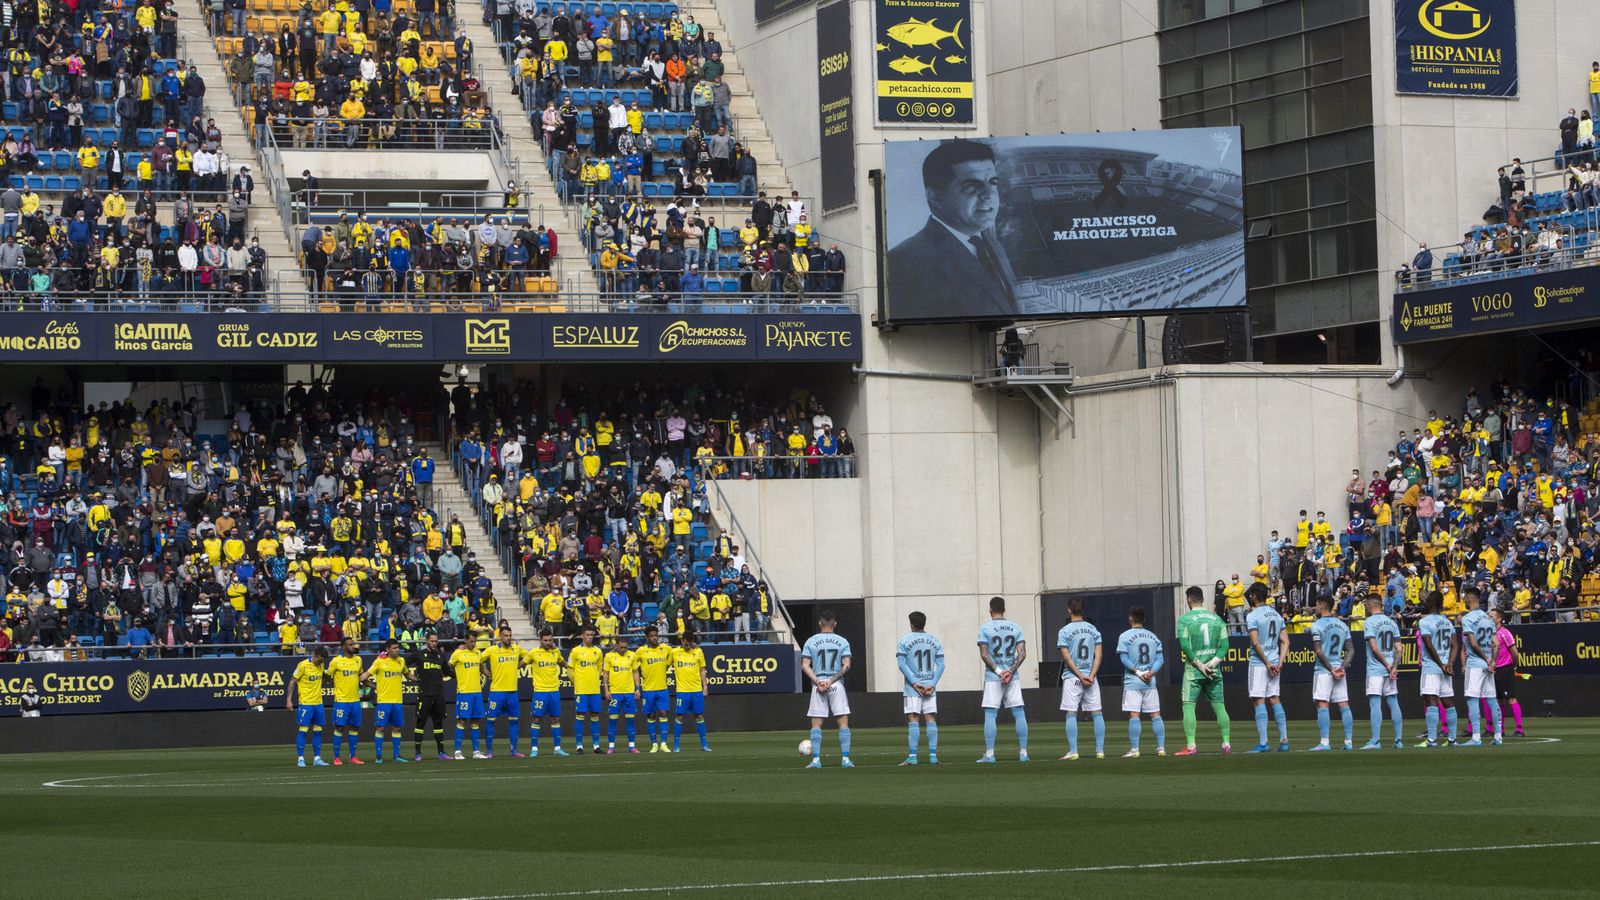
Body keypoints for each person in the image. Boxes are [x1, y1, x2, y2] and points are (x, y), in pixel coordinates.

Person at [886, 139, 1018, 318]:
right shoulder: (904, 262)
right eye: (972, 186)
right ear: (935, 197)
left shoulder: (991, 243)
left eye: (992, 182)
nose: (989, 195)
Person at [1175, 585, 1230, 756]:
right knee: (1220, 707)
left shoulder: (1185, 620)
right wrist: (1212, 664)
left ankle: (1191, 746)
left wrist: (1200, 665)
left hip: (1194, 672)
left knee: (1189, 706)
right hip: (1214, 672)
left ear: (1189, 600)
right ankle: (1226, 743)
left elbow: (1184, 645)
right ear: (1203, 599)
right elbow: (1225, 645)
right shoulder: (1217, 619)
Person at [975, 595, 1028, 764]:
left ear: (990, 610)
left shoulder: (985, 628)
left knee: (991, 714)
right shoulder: (1016, 627)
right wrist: (1010, 672)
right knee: (1018, 712)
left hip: (993, 676)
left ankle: (990, 754)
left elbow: (984, 654)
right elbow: (1022, 654)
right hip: (1012, 677)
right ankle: (1023, 753)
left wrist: (999, 671)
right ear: (1004, 609)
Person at [1056, 596, 1106, 760]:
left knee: (1071, 713)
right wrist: (1091, 675)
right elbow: (1098, 656)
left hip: (1073, 677)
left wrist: (1080, 675)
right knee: (1097, 713)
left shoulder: (1064, 631)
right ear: (1083, 610)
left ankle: (1073, 751)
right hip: (1091, 678)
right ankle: (1100, 751)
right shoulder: (1094, 629)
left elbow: (1067, 658)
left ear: (1069, 610)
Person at [801, 610, 852, 768]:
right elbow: (847, 664)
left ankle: (816, 760)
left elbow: (804, 665)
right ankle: (845, 760)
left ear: (819, 623)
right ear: (835, 624)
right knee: (842, 722)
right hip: (835, 684)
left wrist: (818, 682)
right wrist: (831, 681)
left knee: (816, 724)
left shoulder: (811, 641)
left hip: (819, 685)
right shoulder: (842, 641)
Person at [894, 611, 945, 766]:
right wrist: (932, 684)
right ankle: (933, 756)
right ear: (924, 623)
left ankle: (913, 757)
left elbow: (902, 664)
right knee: (930, 719)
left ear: (911, 624)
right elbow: (941, 665)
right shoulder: (934, 640)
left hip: (912, 688)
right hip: (929, 687)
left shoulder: (904, 640)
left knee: (913, 719)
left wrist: (915, 682)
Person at [1244, 585, 1290, 752]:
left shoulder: (1253, 615)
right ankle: (1284, 740)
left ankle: (1263, 743)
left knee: (1258, 699)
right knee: (1274, 698)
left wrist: (1266, 663)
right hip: (1275, 662)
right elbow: (1286, 641)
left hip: (1259, 663)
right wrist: (1280, 661)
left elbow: (1255, 642)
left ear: (1255, 596)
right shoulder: (1276, 614)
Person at [1116, 607, 1165, 759]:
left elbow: (1124, 659)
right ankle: (1161, 748)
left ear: (1130, 618)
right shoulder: (1153, 637)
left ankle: (1135, 749)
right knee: (1155, 715)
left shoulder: (1124, 636)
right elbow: (1160, 659)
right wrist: (1151, 672)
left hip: (1133, 682)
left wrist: (1138, 673)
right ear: (1143, 619)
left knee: (1134, 716)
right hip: (1150, 681)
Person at [1307, 596, 1354, 752]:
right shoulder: (1343, 625)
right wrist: (1342, 667)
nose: (1315, 607)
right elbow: (1351, 650)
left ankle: (1325, 742)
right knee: (1344, 704)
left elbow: (1318, 650)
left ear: (1321, 605)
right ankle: (1348, 742)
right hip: (1339, 668)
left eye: (1316, 604)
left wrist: (1330, 669)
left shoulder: (1316, 625)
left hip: (1324, 670)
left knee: (1322, 703)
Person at [1361, 595, 1405, 750]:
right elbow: (1399, 649)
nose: (1365, 607)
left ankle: (1375, 740)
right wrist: (1394, 666)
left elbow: (1374, 648)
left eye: (1366, 605)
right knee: (1393, 701)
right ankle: (1399, 740)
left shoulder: (1369, 622)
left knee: (1375, 703)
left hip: (1376, 669)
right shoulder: (1392, 622)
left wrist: (1387, 666)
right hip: (1390, 668)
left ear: (1370, 604)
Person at [1417, 590, 1459, 748]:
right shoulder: (1447, 621)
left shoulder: (1425, 622)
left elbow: (1428, 644)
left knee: (1431, 701)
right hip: (1446, 668)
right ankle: (1452, 739)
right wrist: (1449, 663)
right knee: (1448, 701)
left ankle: (1432, 739)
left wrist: (1441, 664)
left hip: (1432, 667)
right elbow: (1455, 645)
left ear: (1429, 603)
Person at [1460, 588, 1501, 747]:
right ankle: (1498, 735)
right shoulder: (1488, 618)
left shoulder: (1467, 618)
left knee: (1472, 698)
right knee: (1491, 699)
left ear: (1469, 600)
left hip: (1475, 663)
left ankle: (1476, 736)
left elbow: (1473, 643)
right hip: (1488, 664)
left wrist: (1485, 658)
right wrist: (1492, 661)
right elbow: (1496, 643)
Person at [361, 639, 411, 763]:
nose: (397, 650)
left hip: (397, 701)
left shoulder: (401, 661)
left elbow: (408, 674)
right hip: (384, 701)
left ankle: (396, 756)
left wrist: (420, 680)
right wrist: (373, 686)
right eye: (394, 648)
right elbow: (364, 677)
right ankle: (378, 757)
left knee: (397, 728)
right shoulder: (379, 661)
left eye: (398, 647)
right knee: (380, 728)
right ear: (388, 650)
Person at [484, 625, 528, 758]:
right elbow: (478, 659)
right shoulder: (491, 650)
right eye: (506, 636)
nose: (508, 638)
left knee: (514, 721)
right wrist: (485, 671)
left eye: (510, 635)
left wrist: (518, 666)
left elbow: (529, 657)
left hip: (512, 692)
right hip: (497, 692)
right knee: (490, 720)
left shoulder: (516, 649)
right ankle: (489, 751)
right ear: (500, 637)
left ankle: (514, 750)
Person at [408, 631, 453, 761]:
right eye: (432, 641)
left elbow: (447, 671)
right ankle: (417, 753)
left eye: (436, 641)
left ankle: (441, 753)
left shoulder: (441, 656)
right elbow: (403, 664)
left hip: (438, 695)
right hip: (424, 695)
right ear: (427, 641)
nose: (434, 643)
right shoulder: (419, 654)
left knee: (438, 723)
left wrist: (460, 675)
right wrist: (412, 677)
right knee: (420, 723)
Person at [527, 627, 570, 757]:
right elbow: (520, 665)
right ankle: (534, 749)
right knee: (536, 719)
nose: (548, 642)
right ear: (540, 640)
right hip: (540, 691)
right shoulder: (534, 653)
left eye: (550, 640)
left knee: (555, 719)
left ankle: (557, 748)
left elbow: (566, 665)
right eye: (545, 640)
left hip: (554, 691)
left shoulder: (555, 652)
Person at [287, 645, 330, 767]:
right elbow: (292, 681)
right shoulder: (302, 665)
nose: (321, 662)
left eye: (322, 661)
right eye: (320, 659)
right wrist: (289, 700)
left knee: (318, 731)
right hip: (306, 703)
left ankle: (317, 758)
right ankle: (300, 758)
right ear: (315, 655)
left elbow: (324, 678)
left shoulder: (320, 665)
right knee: (303, 730)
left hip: (318, 703)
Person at [670, 630, 712, 752]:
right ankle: (676, 746)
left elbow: (702, 670)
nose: (687, 646)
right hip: (682, 691)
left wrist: (705, 688)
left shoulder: (698, 651)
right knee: (679, 716)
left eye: (690, 644)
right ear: (682, 641)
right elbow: (665, 665)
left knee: (699, 716)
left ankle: (704, 745)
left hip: (696, 690)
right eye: (686, 644)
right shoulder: (674, 652)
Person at [328, 637, 367, 765]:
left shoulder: (358, 660)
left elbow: (361, 677)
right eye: (350, 645)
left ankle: (353, 756)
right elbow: (327, 676)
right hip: (341, 700)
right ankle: (337, 757)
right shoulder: (336, 661)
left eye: (353, 644)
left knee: (354, 728)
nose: (353, 646)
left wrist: (374, 686)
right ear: (343, 647)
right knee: (339, 727)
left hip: (355, 700)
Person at [450, 634, 488, 759]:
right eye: (471, 641)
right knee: (461, 721)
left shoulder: (478, 653)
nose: (473, 644)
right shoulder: (458, 653)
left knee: (475, 721)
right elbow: (448, 667)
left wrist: (492, 675)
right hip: (464, 693)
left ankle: (476, 752)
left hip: (477, 692)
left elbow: (483, 669)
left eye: (475, 642)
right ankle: (457, 752)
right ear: (465, 640)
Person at [568, 624, 605, 753]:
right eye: (587, 635)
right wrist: (576, 683)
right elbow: (570, 670)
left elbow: (600, 667)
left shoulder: (598, 651)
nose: (589, 637)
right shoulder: (575, 651)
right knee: (580, 715)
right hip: (581, 690)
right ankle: (579, 746)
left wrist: (595, 678)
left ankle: (596, 746)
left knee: (595, 715)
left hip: (594, 689)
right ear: (582, 636)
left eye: (591, 635)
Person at [636, 625, 673, 752]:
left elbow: (679, 651)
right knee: (651, 715)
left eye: (656, 635)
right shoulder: (641, 651)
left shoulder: (665, 649)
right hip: (648, 689)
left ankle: (663, 743)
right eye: (651, 636)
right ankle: (654, 744)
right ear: (647, 637)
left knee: (663, 713)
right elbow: (632, 664)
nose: (654, 638)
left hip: (662, 688)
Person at [603, 635, 641, 753]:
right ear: (616, 645)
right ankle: (611, 747)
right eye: (621, 647)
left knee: (630, 719)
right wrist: (606, 690)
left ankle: (632, 746)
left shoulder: (632, 655)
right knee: (613, 719)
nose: (623, 649)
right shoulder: (609, 656)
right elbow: (605, 674)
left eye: (625, 647)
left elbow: (635, 672)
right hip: (615, 693)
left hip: (629, 692)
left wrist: (637, 688)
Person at [1490, 608, 1524, 738]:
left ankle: (1519, 729)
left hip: (1505, 669)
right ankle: (1501, 729)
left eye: (1492, 616)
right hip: (1495, 670)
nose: (1489, 618)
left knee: (1511, 698)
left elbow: (1515, 652)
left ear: (1499, 619)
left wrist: (1513, 666)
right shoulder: (1491, 634)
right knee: (1499, 700)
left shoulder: (1504, 633)